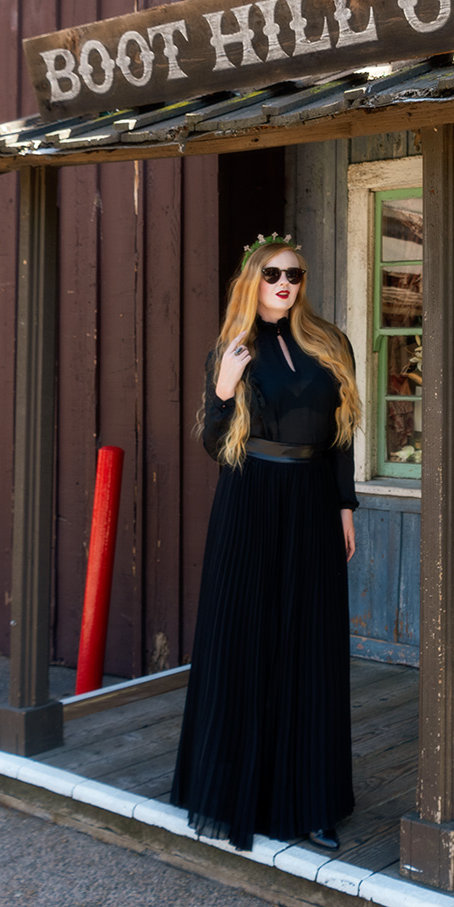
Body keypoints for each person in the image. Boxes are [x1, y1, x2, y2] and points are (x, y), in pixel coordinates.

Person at [170, 233, 360, 853]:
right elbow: (214, 443)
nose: (284, 284)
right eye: (273, 273)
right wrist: (224, 388)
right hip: (249, 500)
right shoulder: (233, 349)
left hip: (310, 500)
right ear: (252, 279)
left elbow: (341, 435)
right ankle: (235, 791)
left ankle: (311, 802)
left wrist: (344, 505)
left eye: (295, 275)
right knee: (246, 639)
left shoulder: (330, 344)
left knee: (310, 646)